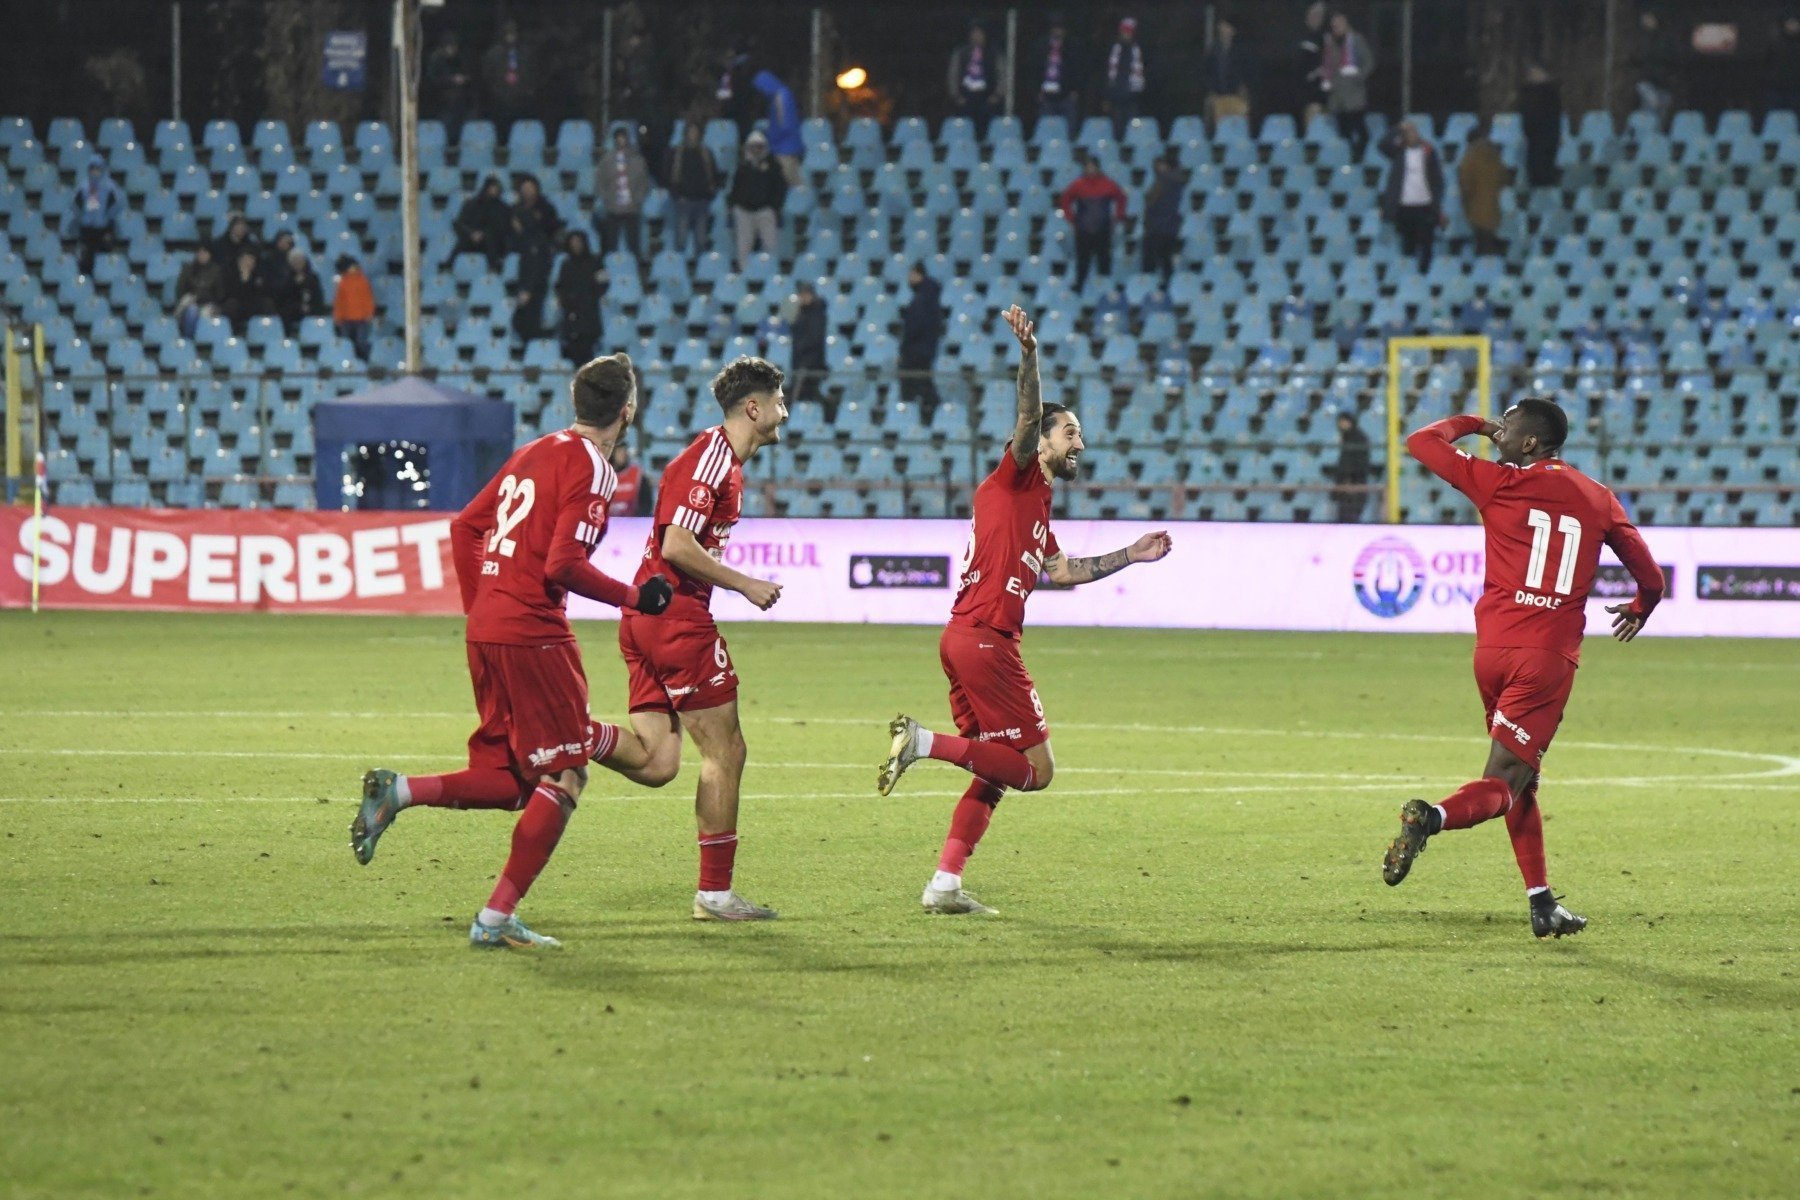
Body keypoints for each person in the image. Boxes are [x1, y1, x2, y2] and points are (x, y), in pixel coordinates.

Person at [349, 355, 677, 949]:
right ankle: (495, 919)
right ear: (628, 411)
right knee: (567, 773)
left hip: (489, 630)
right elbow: (564, 565)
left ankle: (398, 793)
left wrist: (480, 607)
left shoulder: (533, 451)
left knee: (513, 778)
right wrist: (635, 597)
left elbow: (463, 528)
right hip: (534, 634)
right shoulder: (596, 470)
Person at [878, 306, 1174, 915]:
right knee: (1036, 770)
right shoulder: (1014, 476)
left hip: (965, 638)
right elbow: (1023, 415)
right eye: (1070, 434)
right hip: (986, 640)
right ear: (1040, 440)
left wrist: (1131, 554)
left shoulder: (1037, 505)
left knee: (995, 769)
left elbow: (1062, 572)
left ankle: (944, 885)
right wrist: (1030, 355)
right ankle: (923, 744)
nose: (1080, 445)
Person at [1381, 398, 1665, 939]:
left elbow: (1421, 441)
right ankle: (1431, 817)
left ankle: (1542, 903)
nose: (1497, 434)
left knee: (1523, 777)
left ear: (1531, 443)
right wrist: (1638, 610)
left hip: (1492, 653)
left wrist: (1470, 423)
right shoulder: (1598, 498)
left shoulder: (1496, 483)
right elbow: (1650, 576)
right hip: (1546, 658)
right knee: (1505, 781)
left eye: (1506, 428)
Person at [596, 356, 789, 922]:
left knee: (658, 763)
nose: (785, 411)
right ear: (753, 408)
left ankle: (562, 732)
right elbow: (678, 545)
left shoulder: (723, 460)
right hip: (675, 619)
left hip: (648, 618)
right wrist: (745, 584)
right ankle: (715, 895)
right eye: (778, 401)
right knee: (726, 751)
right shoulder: (710, 457)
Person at [1380, 120, 1445, 271]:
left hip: (1425, 206)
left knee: (1426, 245)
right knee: (1408, 246)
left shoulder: (1428, 151)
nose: (1412, 135)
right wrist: (1397, 128)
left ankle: (1424, 275)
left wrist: (1436, 202)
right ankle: (1409, 278)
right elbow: (1382, 145)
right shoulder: (1398, 152)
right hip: (1404, 207)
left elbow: (1437, 179)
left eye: (1414, 132)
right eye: (1408, 133)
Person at [1059, 154, 1129, 291]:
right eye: (1088, 167)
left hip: (1103, 230)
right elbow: (1065, 200)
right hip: (1083, 230)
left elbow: (1121, 199)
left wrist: (1118, 217)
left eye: (1093, 167)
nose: (1090, 170)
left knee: (1104, 261)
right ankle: (1080, 288)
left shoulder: (1108, 184)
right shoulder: (1078, 185)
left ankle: (1105, 288)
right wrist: (1070, 218)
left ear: (1097, 168)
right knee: (1082, 262)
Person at [510, 175, 562, 341]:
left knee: (535, 297)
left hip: (541, 254)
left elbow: (551, 227)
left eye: (531, 188)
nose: (528, 192)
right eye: (525, 189)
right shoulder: (516, 208)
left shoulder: (545, 208)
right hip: (525, 254)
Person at [727, 131, 786, 269]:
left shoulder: (773, 166)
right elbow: (736, 189)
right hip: (744, 212)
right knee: (743, 247)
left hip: (765, 211)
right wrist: (734, 205)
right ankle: (744, 274)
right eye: (753, 146)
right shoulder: (742, 167)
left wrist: (774, 207)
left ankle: (771, 273)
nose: (756, 149)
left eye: (759, 146)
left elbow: (780, 187)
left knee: (771, 246)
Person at [61, 154, 126, 274]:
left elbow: (118, 204)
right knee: (86, 259)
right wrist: (82, 217)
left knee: (104, 258)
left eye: (97, 168)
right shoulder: (83, 186)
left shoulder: (110, 187)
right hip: (87, 229)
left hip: (104, 228)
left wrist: (108, 217)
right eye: (92, 169)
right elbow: (74, 203)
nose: (95, 172)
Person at [1322, 11, 1375, 158]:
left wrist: (1358, 75)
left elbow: (1369, 62)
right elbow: (1327, 66)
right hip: (1338, 97)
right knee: (1343, 132)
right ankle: (1350, 158)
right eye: (1334, 25)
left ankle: (1361, 156)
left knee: (1360, 130)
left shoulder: (1356, 40)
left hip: (1354, 96)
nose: (1337, 27)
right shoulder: (1329, 43)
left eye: (1340, 24)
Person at [595, 127, 651, 260]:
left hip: (632, 208)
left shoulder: (637, 159)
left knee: (633, 243)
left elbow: (644, 182)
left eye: (623, 137)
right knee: (611, 243)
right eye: (619, 137)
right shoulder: (607, 160)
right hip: (613, 208)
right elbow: (600, 181)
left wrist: (638, 199)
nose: (621, 140)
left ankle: (635, 266)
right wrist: (606, 198)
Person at [665, 123, 720, 257]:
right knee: (681, 238)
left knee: (701, 239)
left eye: (695, 132)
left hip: (702, 200)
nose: (693, 135)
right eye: (691, 131)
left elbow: (714, 175)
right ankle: (679, 268)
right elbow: (667, 175)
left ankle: (700, 272)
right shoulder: (676, 153)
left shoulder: (707, 153)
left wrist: (710, 194)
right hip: (683, 200)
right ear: (685, 133)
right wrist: (677, 195)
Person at [1458, 118, 1510, 256]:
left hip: (1476, 209)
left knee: (1482, 246)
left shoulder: (1469, 158)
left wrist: (1465, 203)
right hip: (1494, 207)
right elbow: (1504, 178)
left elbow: (1466, 184)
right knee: (1489, 241)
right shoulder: (1495, 155)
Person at [553, 230, 605, 367]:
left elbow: (603, 283)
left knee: (588, 357)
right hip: (571, 315)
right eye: (573, 242)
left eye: (578, 242)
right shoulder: (566, 264)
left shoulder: (595, 262)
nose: (575, 245)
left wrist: (590, 295)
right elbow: (560, 286)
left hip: (589, 316)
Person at [899, 263, 944, 419]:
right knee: (922, 384)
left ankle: (921, 416)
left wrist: (904, 347)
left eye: (911, 275)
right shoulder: (931, 296)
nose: (909, 279)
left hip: (916, 351)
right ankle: (927, 414)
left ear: (919, 275)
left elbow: (914, 327)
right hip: (925, 350)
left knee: (915, 386)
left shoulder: (922, 299)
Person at [948, 23, 1004, 141]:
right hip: (966, 98)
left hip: (987, 99)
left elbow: (1002, 75)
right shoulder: (961, 53)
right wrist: (956, 96)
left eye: (980, 34)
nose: (977, 37)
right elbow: (953, 75)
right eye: (974, 34)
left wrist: (997, 95)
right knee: (965, 131)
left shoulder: (993, 53)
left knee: (986, 130)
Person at [1140, 150, 1188, 282]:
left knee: (1150, 263)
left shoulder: (1163, 181)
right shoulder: (1178, 181)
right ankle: (1168, 286)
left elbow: (1150, 199)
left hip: (1156, 227)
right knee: (1166, 261)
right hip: (1171, 227)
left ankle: (1149, 288)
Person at [482, 18, 534, 136]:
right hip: (500, 99)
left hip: (521, 99)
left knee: (521, 131)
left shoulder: (525, 53)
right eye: (509, 33)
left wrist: (527, 90)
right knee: (502, 130)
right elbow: (488, 76)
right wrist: (496, 91)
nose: (511, 37)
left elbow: (531, 73)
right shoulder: (493, 54)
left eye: (514, 33)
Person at [752, 69, 804, 186]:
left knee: (791, 182)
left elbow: (784, 124)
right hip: (785, 146)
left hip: (784, 148)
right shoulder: (779, 95)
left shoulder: (781, 97)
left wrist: (770, 136)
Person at [425, 31, 475, 147]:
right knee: (444, 132)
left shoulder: (459, 59)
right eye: (451, 47)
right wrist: (451, 80)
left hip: (459, 103)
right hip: (442, 104)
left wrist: (464, 79)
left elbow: (469, 75)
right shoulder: (436, 60)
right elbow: (432, 81)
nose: (453, 50)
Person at [1518, 63, 1563, 188]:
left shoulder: (1550, 93)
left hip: (1546, 141)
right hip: (1535, 141)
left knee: (1543, 172)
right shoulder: (1528, 93)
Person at [1202, 15, 1253, 126]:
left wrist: (1243, 87)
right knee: (1220, 126)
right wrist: (1211, 91)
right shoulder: (1213, 50)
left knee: (1238, 125)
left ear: (1233, 31)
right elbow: (1207, 72)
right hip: (1218, 95)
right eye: (1222, 26)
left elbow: (1246, 70)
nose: (1224, 30)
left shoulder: (1241, 50)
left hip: (1237, 95)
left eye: (1227, 27)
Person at [453, 176, 511, 271]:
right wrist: (472, 233)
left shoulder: (503, 208)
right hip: (472, 239)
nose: (493, 191)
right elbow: (460, 223)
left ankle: (494, 268)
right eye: (491, 188)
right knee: (462, 242)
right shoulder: (471, 204)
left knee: (490, 238)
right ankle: (449, 266)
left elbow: (504, 227)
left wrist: (483, 234)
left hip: (494, 243)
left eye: (496, 188)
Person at [1103, 17, 1149, 138]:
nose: (1126, 34)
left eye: (1129, 31)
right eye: (1124, 31)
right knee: (1117, 127)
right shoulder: (1114, 49)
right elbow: (1109, 74)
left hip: (1134, 95)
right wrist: (1108, 95)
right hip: (1117, 96)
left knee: (1134, 128)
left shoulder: (1139, 49)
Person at [1034, 12, 1081, 126]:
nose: (1057, 32)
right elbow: (1035, 69)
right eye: (1055, 28)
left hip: (1066, 95)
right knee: (1046, 127)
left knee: (1067, 128)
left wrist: (1075, 90)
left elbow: (1077, 69)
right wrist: (1036, 90)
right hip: (1046, 96)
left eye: (1060, 28)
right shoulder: (1042, 46)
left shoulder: (1071, 46)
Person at [174, 243, 227, 339]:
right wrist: (193, 297)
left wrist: (206, 298)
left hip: (209, 303)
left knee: (205, 313)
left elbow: (220, 294)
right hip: (190, 301)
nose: (202, 255)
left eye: (205, 252)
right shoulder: (188, 269)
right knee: (191, 310)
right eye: (200, 252)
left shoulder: (217, 271)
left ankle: (201, 338)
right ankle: (187, 339)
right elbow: (180, 290)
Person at [1329, 411, 1372, 522]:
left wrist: (1350, 480)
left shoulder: (1358, 438)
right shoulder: (1346, 437)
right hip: (1345, 485)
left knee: (1351, 517)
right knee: (1343, 517)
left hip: (1354, 485)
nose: (1340, 424)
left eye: (1343, 422)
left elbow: (1358, 463)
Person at [789, 280, 828, 401]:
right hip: (799, 362)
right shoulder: (801, 313)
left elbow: (814, 338)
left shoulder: (817, 314)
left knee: (804, 396)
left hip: (811, 364)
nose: (803, 297)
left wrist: (801, 346)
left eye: (805, 294)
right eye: (801, 294)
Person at [273, 249, 326, 335]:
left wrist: (310, 307)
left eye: (300, 260)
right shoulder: (286, 278)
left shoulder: (313, 277)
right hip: (294, 310)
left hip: (311, 309)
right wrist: (294, 284)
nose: (297, 263)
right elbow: (283, 297)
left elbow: (318, 297)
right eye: (295, 260)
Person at [332, 254, 375, 358]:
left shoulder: (363, 281)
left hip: (362, 319)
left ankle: (368, 360)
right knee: (347, 344)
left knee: (361, 342)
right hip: (346, 319)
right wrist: (338, 317)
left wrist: (369, 313)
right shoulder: (342, 283)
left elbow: (368, 299)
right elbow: (339, 302)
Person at [223, 247, 273, 334]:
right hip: (238, 305)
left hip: (254, 305)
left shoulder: (259, 274)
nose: (248, 263)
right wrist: (243, 280)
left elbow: (263, 292)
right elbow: (230, 293)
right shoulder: (231, 273)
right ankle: (233, 333)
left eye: (251, 260)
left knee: (267, 303)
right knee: (231, 305)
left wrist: (249, 281)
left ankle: (265, 333)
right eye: (245, 260)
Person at [1297, 2, 1329, 126]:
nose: (1317, 18)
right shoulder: (1301, 39)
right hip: (1310, 96)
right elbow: (1301, 71)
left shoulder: (1327, 38)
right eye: (1314, 14)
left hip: (1329, 97)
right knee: (1314, 130)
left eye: (1320, 15)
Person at [608, 441, 645, 517]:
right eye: (619, 452)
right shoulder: (605, 474)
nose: (622, 455)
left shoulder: (636, 474)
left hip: (632, 521)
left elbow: (646, 503)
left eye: (624, 451)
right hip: (608, 521)